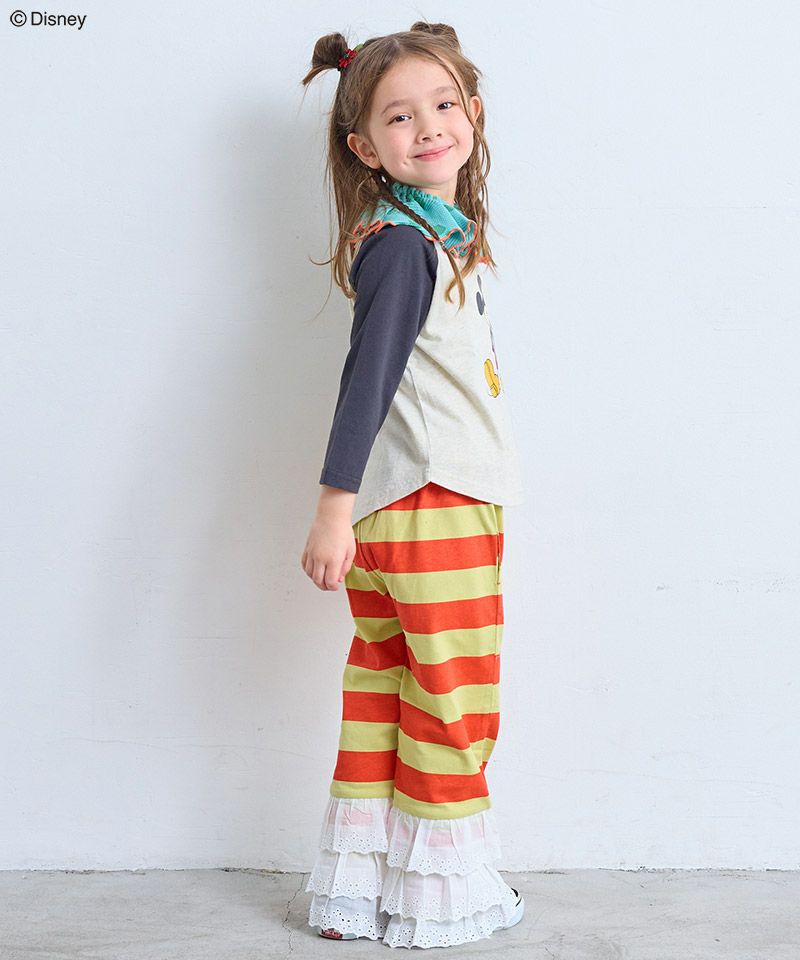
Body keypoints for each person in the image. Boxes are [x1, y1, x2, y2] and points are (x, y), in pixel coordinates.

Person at [298, 21, 526, 949]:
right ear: (365, 147)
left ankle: (359, 893)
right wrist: (330, 509)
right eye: (399, 116)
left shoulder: (420, 237)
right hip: (438, 507)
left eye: (442, 104)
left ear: (473, 112)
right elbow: (368, 382)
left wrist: (347, 515)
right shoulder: (406, 247)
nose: (428, 126)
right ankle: (444, 900)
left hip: (396, 515)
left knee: (386, 692)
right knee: (451, 699)